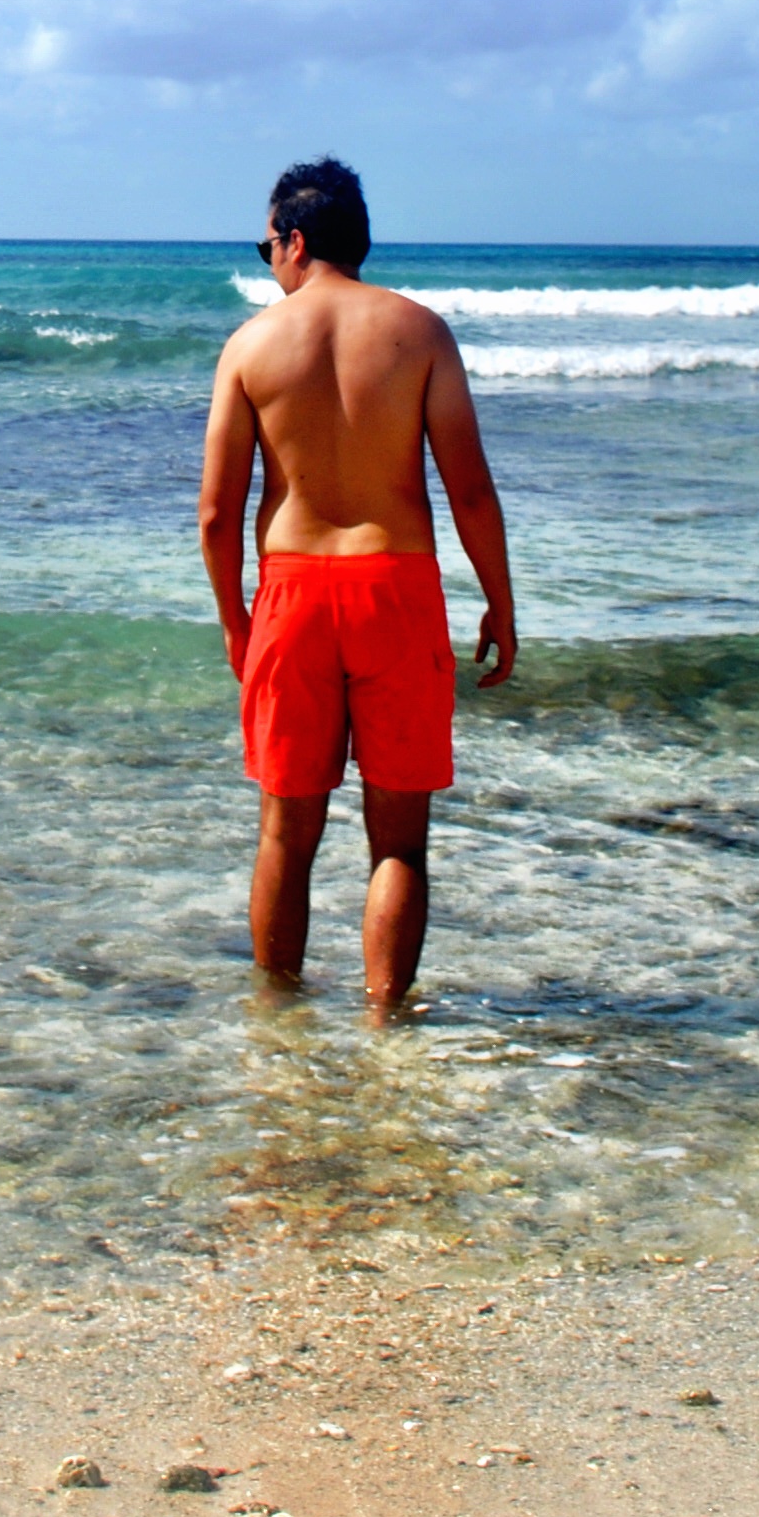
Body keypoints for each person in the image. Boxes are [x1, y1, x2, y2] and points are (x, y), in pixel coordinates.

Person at [197, 155, 517, 1013]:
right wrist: (501, 602)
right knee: (400, 845)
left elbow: (218, 514)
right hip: (397, 587)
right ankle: (385, 1023)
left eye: (267, 244)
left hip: (293, 596)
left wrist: (236, 620)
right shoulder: (419, 332)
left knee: (284, 835)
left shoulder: (251, 346)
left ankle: (277, 1022)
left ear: (295, 241)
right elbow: (471, 488)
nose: (269, 260)